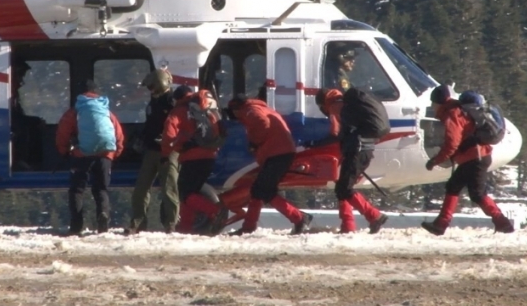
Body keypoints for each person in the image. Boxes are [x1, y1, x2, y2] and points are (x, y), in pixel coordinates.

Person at [421, 84, 515, 235]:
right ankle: (441, 224)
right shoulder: (455, 111)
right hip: (473, 157)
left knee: (477, 194)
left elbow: (452, 143)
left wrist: (436, 160)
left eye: (433, 103)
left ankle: (502, 222)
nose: (433, 107)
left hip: (476, 158)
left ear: (439, 103)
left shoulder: (452, 113)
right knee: (453, 187)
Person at [226, 95, 313, 235]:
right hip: (280, 152)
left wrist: (254, 143)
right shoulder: (261, 108)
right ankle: (249, 226)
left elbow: (262, 123)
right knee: (259, 190)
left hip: (277, 154)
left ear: (236, 109)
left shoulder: (250, 111)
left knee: (262, 190)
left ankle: (300, 218)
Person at [315, 88, 389, 234]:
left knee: (344, 188)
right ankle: (348, 225)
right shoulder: (348, 104)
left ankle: (374, 216)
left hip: (357, 151)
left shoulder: (335, 106)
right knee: (343, 186)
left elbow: (336, 133)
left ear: (323, 103)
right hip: (364, 149)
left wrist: (314, 143)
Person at [56, 79, 124, 235]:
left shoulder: (76, 111)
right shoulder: (106, 111)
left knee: (77, 190)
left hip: (82, 155)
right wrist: (114, 154)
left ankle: (76, 225)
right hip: (105, 155)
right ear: (97, 93)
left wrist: (64, 151)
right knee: (101, 189)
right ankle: (103, 218)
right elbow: (118, 134)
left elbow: (63, 132)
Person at [161, 85, 224, 235]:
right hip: (210, 155)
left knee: (185, 193)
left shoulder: (179, 111)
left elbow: (169, 134)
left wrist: (165, 154)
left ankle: (216, 212)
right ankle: (185, 228)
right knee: (190, 192)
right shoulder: (204, 107)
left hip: (192, 157)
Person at [124, 68, 179, 235]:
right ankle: (138, 222)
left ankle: (171, 224)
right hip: (151, 150)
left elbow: (176, 126)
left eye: (152, 86)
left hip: (168, 150)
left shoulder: (171, 101)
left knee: (169, 188)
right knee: (141, 188)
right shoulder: (154, 101)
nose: (150, 90)